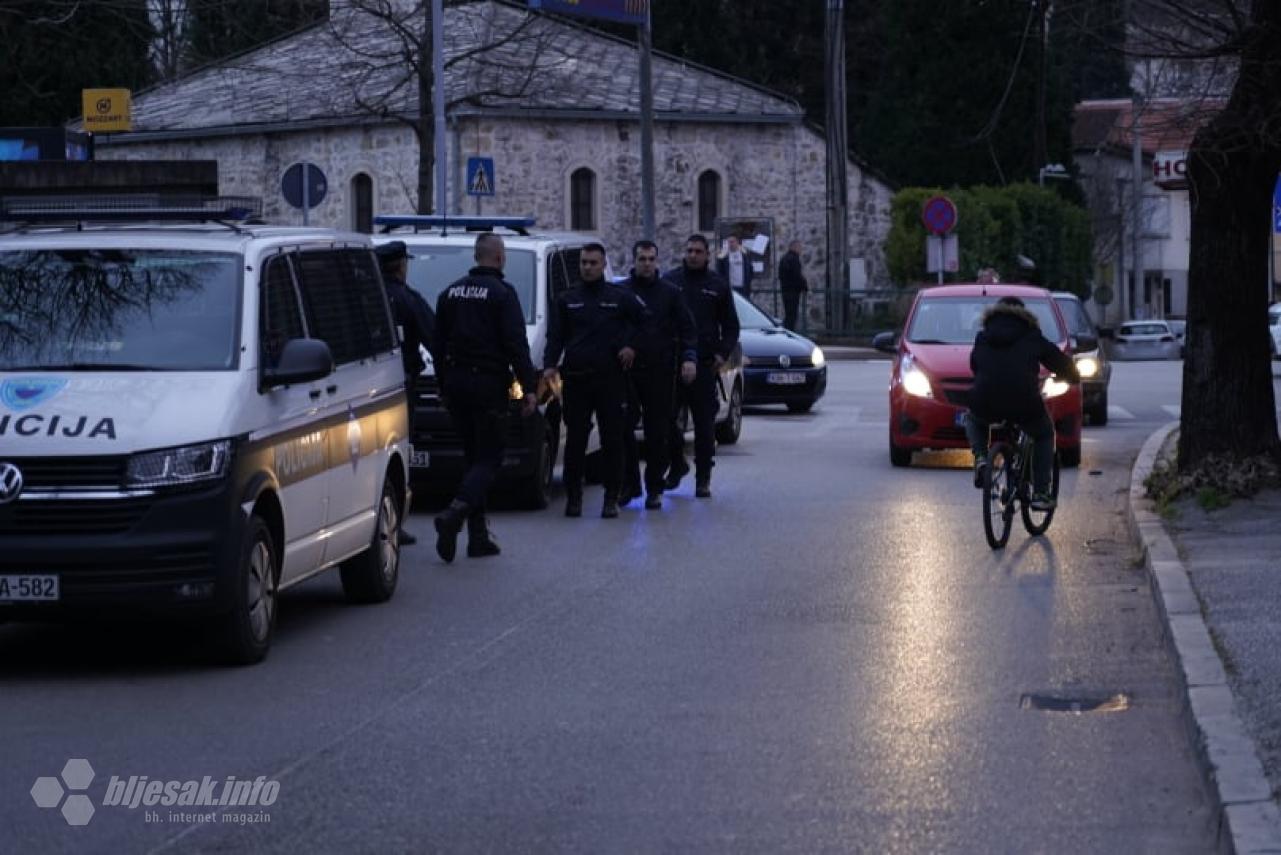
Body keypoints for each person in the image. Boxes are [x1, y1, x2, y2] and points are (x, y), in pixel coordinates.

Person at [430, 233, 538, 563]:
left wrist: (443, 385)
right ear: (500, 257)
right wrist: (529, 387)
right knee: (489, 459)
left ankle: (478, 537)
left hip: (456, 384)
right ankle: (454, 514)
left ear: (476, 257)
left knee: (472, 458)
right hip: (487, 386)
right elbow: (516, 344)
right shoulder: (503, 294)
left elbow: (437, 345)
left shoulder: (449, 293)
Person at [542, 243, 646, 519]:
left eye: (593, 263)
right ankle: (574, 497)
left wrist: (631, 346)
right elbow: (556, 336)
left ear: (603, 265)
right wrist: (549, 365)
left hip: (610, 379)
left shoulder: (619, 297)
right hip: (576, 379)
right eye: (584, 263)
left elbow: (645, 323)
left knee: (612, 440)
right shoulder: (567, 299)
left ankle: (611, 498)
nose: (587, 268)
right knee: (576, 440)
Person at [965, 296, 1080, 511]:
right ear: (1023, 315)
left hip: (986, 398)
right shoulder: (1031, 335)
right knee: (1044, 434)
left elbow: (974, 365)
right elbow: (1059, 362)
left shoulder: (983, 336)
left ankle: (981, 457)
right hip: (1023, 401)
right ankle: (1040, 493)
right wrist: (1072, 376)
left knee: (973, 419)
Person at [619, 240, 698, 510]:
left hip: (660, 370)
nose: (647, 264)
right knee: (623, 428)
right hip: (627, 372)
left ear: (657, 261)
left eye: (651, 259)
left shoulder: (670, 293)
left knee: (657, 432)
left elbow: (687, 329)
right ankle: (629, 484)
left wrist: (689, 358)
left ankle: (654, 487)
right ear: (634, 261)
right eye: (642, 259)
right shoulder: (622, 292)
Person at [665, 234, 740, 498]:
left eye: (698, 251)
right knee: (666, 421)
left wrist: (721, 354)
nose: (693, 255)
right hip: (673, 364)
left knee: (705, 426)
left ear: (707, 255)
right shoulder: (670, 282)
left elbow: (731, 326)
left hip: (705, 365)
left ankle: (703, 478)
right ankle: (677, 464)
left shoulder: (717, 285)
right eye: (689, 251)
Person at [376, 240, 436, 546]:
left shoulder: (368, 296)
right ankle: (394, 521)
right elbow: (434, 337)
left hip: (366, 388)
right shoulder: (408, 299)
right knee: (397, 454)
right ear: (401, 267)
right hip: (400, 387)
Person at [778, 240, 807, 332]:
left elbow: (781, 275)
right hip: (793, 291)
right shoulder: (794, 259)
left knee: (788, 314)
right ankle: (789, 333)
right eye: (799, 247)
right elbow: (797, 275)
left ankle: (787, 331)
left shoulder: (784, 259)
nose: (800, 250)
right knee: (792, 315)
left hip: (785, 290)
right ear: (794, 247)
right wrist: (804, 286)